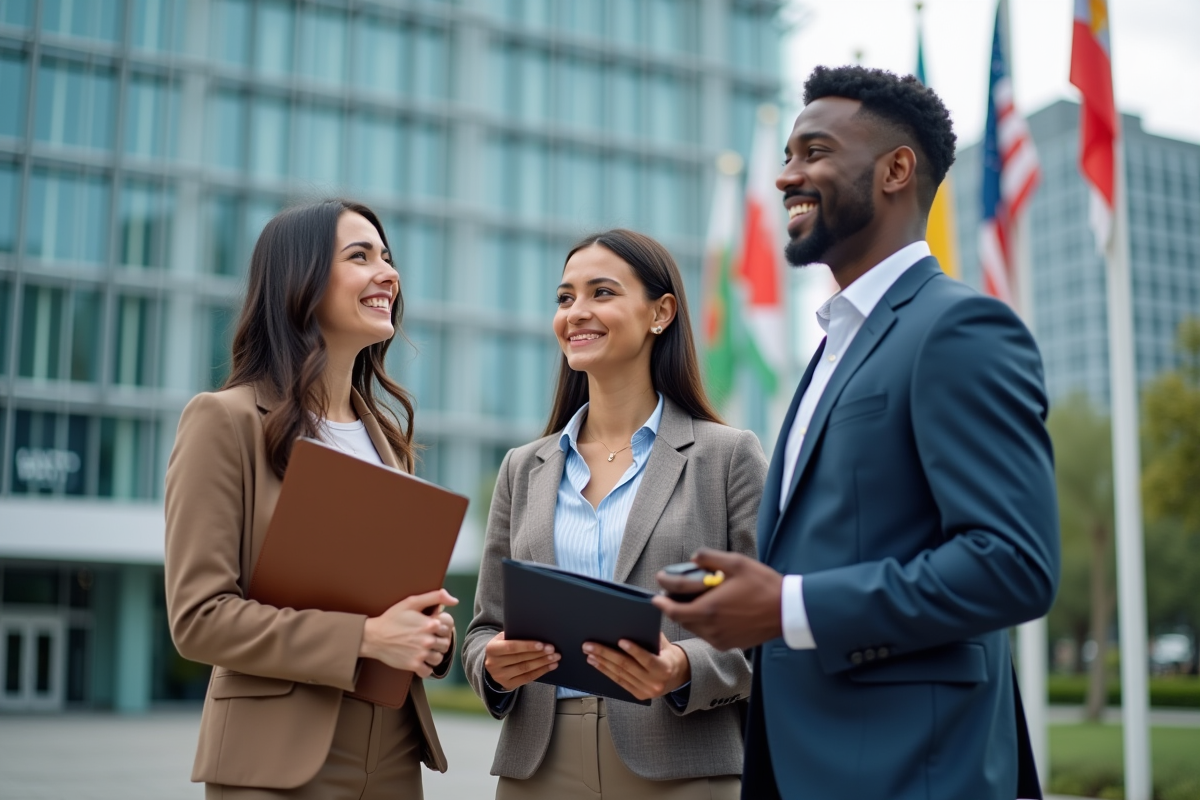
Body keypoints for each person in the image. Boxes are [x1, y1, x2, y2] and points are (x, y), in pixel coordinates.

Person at [655, 66, 1060, 800]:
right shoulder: (833, 348)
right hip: (809, 765)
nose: (787, 177)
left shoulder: (960, 328)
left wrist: (787, 606)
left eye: (814, 152)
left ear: (896, 170)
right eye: (786, 156)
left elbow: (1012, 565)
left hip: (915, 771)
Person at [164, 200, 457, 799]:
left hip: (394, 754)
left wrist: (428, 635)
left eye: (388, 257)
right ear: (301, 282)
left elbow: (374, 601)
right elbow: (199, 618)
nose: (388, 273)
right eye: (360, 256)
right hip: (277, 761)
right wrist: (367, 638)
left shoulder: (387, 440)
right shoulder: (225, 421)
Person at [462, 229, 767, 799]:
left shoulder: (727, 458)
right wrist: (494, 667)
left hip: (682, 766)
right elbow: (483, 629)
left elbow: (770, 628)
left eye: (601, 293)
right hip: (539, 768)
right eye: (564, 297)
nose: (576, 313)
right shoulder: (522, 468)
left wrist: (684, 666)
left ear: (661, 313)